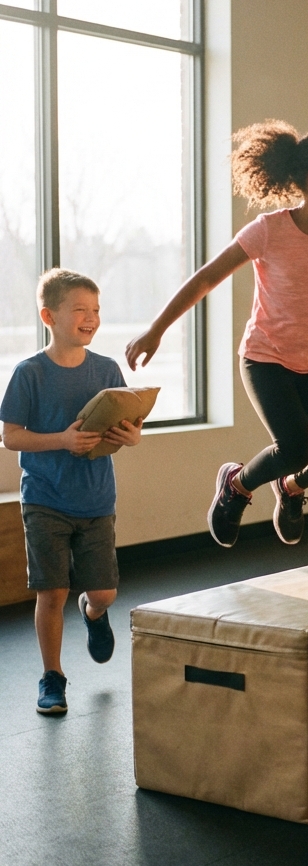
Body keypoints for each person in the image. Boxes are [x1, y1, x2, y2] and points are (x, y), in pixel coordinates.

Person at [125, 121, 308, 548]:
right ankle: (236, 485)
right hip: (264, 358)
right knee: (294, 448)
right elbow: (205, 279)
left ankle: (289, 489)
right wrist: (156, 331)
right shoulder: (269, 230)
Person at [0, 270, 143, 715]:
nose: (91, 318)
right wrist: (61, 440)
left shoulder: (107, 370)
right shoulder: (29, 374)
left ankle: (95, 614)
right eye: (80, 310)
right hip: (44, 499)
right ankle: (53, 677)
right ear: (50, 316)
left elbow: (131, 429)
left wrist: (131, 438)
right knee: (52, 591)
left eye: (96, 310)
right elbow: (11, 437)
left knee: (103, 593)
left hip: (97, 499)